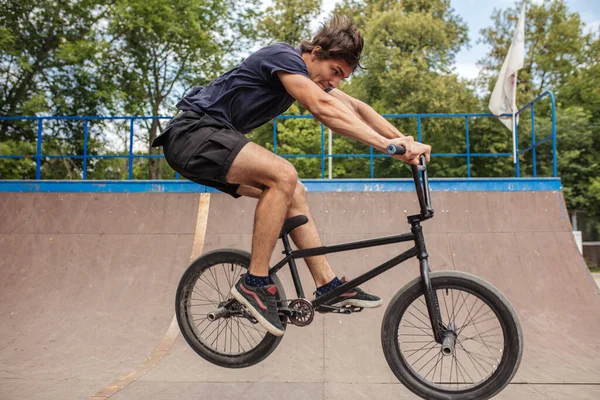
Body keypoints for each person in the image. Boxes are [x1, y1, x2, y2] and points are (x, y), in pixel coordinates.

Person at [152, 15, 432, 337]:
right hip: (193, 135)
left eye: (342, 78)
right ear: (315, 52)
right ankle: (255, 283)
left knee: (294, 190)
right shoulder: (282, 57)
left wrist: (405, 142)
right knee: (283, 175)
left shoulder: (312, 77)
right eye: (334, 72)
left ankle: (327, 285)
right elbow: (321, 107)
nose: (334, 83)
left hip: (210, 147)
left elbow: (358, 109)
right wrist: (386, 145)